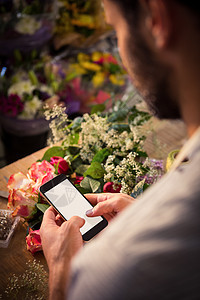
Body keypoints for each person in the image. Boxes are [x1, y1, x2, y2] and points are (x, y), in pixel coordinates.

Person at [40, 0, 200, 299]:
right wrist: (142, 214)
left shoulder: (116, 270)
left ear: (157, 18)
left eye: (116, 29)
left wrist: (63, 276)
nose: (121, 58)